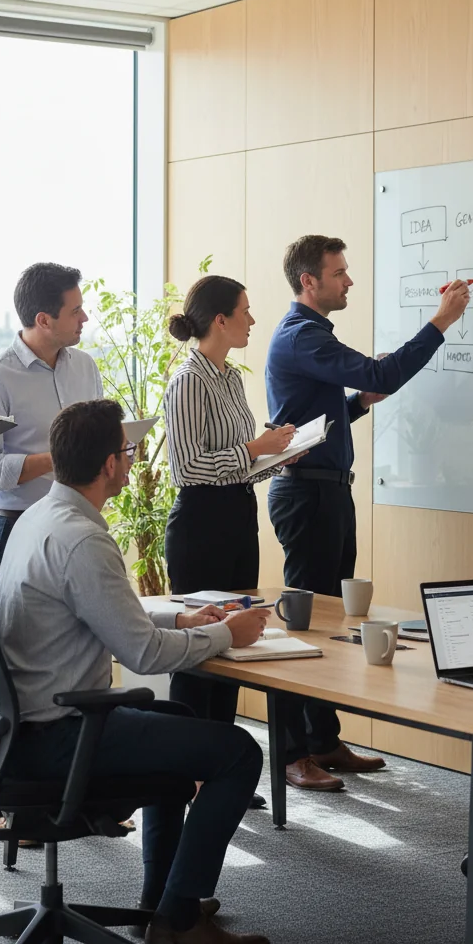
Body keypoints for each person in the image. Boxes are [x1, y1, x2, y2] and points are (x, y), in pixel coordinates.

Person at [0, 399, 273, 944]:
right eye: (126, 451)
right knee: (239, 753)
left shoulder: (41, 517)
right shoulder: (83, 539)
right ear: (108, 466)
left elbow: (104, 610)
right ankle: (181, 915)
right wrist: (229, 635)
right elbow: (143, 654)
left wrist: (184, 618)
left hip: (20, 729)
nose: (131, 459)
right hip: (61, 736)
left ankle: (161, 902)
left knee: (182, 726)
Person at [265, 234, 470, 791]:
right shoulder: (301, 336)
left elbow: (321, 419)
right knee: (304, 627)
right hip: (307, 495)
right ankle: (289, 754)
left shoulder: (310, 338)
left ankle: (322, 742)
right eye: (339, 273)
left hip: (325, 490)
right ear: (310, 281)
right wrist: (441, 321)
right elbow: (380, 373)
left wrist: (357, 403)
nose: (349, 280)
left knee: (329, 624)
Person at [163, 275, 297, 810]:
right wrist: (253, 448)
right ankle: (188, 775)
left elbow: (236, 466)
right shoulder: (188, 379)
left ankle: (218, 774)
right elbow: (190, 467)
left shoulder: (231, 379)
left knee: (234, 646)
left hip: (239, 518)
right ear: (219, 319)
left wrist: (276, 457)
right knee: (200, 654)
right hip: (200, 526)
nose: (252, 319)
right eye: (245, 310)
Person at [0, 262, 102, 602]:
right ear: (43, 319)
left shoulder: (85, 367)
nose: (84, 318)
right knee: (19, 647)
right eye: (75, 311)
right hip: (16, 529)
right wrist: (58, 459)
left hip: (80, 525)